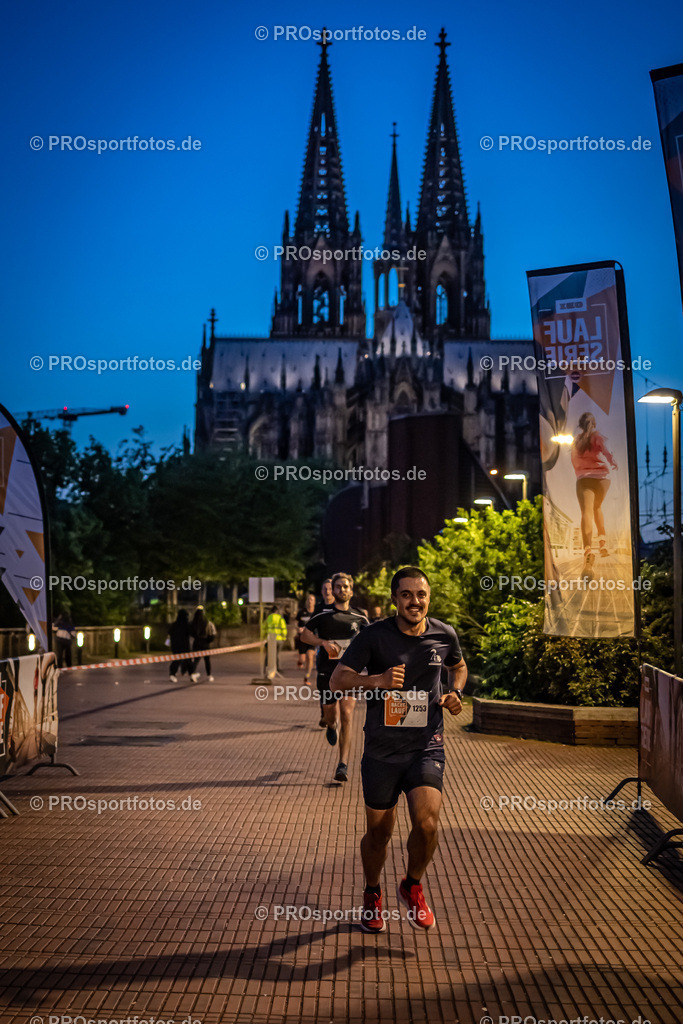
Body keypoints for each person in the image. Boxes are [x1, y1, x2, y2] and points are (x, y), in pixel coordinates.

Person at [329, 566, 467, 933]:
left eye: (420, 595)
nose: (414, 601)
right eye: (406, 594)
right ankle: (372, 893)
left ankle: (412, 884)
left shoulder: (443, 634)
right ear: (395, 599)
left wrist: (456, 694)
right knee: (379, 834)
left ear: (429, 598)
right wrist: (378, 680)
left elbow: (459, 667)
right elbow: (338, 679)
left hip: (426, 746)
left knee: (427, 823)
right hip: (382, 751)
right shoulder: (373, 637)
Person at [300, 572, 368, 783]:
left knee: (347, 715)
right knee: (332, 716)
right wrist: (323, 643)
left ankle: (343, 764)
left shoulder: (360, 618)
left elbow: (373, 642)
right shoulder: (323, 615)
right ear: (334, 590)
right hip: (327, 674)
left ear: (351, 589)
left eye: (346, 586)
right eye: (338, 587)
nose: (342, 590)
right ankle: (330, 726)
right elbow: (304, 635)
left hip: (350, 674)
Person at [570, 411, 618, 573]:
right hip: (603, 478)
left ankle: (588, 550)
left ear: (581, 425)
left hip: (584, 479)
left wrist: (581, 472)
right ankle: (603, 543)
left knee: (586, 512)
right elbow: (607, 452)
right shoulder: (598, 436)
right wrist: (613, 463)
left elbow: (574, 460)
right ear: (594, 423)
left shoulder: (576, 441)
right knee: (597, 507)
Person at [168, 608, 196, 682]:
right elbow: (192, 633)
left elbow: (169, 633)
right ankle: (192, 674)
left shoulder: (174, 624)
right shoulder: (187, 624)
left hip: (175, 645)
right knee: (188, 660)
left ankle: (172, 674)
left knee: (176, 660)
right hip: (184, 645)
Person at [191, 605, 217, 681]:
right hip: (205, 643)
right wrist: (208, 641)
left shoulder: (193, 623)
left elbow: (191, 632)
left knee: (196, 659)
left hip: (196, 643)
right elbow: (212, 633)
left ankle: (192, 674)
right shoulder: (208, 623)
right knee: (207, 660)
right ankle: (209, 675)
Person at [296, 593, 317, 683]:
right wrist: (298, 629)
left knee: (310, 656)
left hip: (312, 639)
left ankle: (307, 677)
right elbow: (294, 623)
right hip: (302, 639)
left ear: (314, 602)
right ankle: (300, 661)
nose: (310, 601)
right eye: (308, 599)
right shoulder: (301, 612)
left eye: (312, 599)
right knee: (303, 659)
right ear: (306, 601)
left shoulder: (316, 612)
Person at [261, 605, 288, 674]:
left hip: (269, 639)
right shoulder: (280, 618)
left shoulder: (268, 618)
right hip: (278, 639)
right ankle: (276, 668)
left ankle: (266, 668)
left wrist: (263, 638)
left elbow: (264, 628)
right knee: (276, 654)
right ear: (277, 611)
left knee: (268, 654)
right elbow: (284, 629)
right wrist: (284, 637)